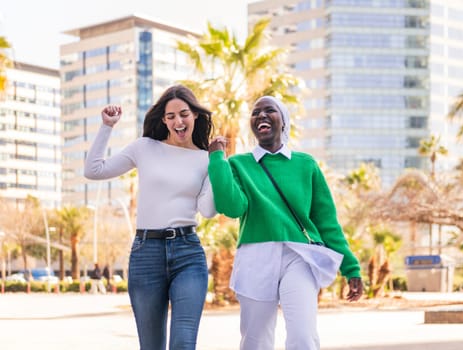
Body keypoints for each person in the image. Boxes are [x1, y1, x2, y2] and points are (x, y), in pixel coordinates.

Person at [208, 95, 363, 350]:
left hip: (299, 256)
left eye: (270, 110)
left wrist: (351, 267)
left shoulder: (305, 164)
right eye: (255, 112)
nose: (261, 115)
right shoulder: (238, 164)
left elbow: (327, 223)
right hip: (255, 256)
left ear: (284, 121)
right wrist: (217, 160)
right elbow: (231, 207)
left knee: (303, 336)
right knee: (255, 341)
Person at [84, 85, 216, 350]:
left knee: (183, 342)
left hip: (188, 253)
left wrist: (217, 164)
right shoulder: (145, 148)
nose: (178, 121)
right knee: (151, 346)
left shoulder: (205, 159)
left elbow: (208, 211)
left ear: (196, 117)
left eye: (184, 114)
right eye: (171, 116)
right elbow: (93, 170)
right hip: (147, 253)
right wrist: (107, 127)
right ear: (163, 120)